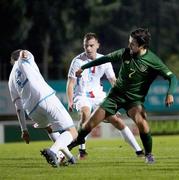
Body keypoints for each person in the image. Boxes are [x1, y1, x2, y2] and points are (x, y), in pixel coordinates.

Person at [68, 28, 178, 164]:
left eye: (132, 43)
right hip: (115, 96)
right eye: (129, 42)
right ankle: (69, 147)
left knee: (142, 122)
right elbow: (105, 58)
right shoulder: (125, 53)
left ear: (142, 45)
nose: (129, 45)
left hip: (133, 100)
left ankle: (148, 154)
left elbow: (172, 77)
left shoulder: (152, 60)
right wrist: (84, 67)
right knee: (88, 125)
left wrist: (170, 94)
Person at [67, 32, 144, 159]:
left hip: (99, 97)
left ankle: (138, 151)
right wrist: (70, 101)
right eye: (86, 46)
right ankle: (82, 150)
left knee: (117, 121)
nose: (88, 48)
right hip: (81, 96)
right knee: (85, 113)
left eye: (91, 45)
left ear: (98, 45)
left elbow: (114, 82)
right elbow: (70, 84)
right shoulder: (77, 61)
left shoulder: (105, 60)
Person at [8, 49, 78, 168]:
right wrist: (24, 53)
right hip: (45, 98)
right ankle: (53, 151)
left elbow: (18, 107)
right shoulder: (25, 57)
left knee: (50, 128)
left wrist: (24, 130)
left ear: (11, 61)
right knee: (72, 132)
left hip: (31, 111)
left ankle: (68, 157)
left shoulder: (10, 80)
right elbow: (25, 54)